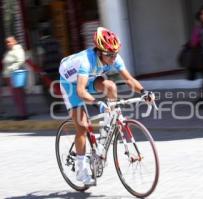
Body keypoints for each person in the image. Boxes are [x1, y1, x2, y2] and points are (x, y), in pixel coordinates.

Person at [59, 27, 154, 185]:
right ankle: (81, 170)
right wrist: (99, 104)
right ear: (99, 51)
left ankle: (107, 129)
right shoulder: (85, 61)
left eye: (115, 54)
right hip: (71, 84)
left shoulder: (114, 58)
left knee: (111, 86)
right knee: (82, 126)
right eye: (109, 54)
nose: (113, 58)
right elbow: (81, 92)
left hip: (89, 78)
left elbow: (129, 80)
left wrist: (144, 92)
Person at [2, 36, 28, 120]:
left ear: (14, 41)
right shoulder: (10, 51)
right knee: (15, 97)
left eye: (9, 42)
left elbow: (21, 60)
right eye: (7, 42)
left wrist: (12, 68)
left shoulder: (17, 49)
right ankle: (21, 113)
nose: (8, 44)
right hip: (9, 76)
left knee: (18, 96)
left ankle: (23, 114)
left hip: (15, 75)